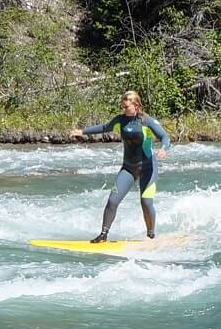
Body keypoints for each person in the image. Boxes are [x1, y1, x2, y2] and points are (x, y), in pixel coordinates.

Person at [71, 90, 170, 243]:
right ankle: (103, 235)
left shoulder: (147, 121)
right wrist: (82, 131)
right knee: (112, 201)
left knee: (146, 202)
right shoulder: (121, 120)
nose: (124, 110)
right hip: (128, 168)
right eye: (122, 107)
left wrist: (163, 149)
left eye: (126, 106)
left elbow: (165, 136)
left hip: (148, 167)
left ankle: (151, 235)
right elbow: (105, 127)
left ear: (136, 105)